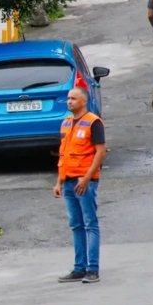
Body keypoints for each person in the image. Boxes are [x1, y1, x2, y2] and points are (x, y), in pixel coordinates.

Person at [53, 88, 106, 284]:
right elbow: (63, 154)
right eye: (68, 98)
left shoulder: (93, 122)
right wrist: (58, 181)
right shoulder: (66, 123)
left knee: (90, 224)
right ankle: (79, 268)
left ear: (83, 101)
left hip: (84, 182)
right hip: (67, 181)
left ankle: (93, 269)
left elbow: (100, 152)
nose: (69, 101)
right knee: (76, 225)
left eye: (73, 98)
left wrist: (87, 178)